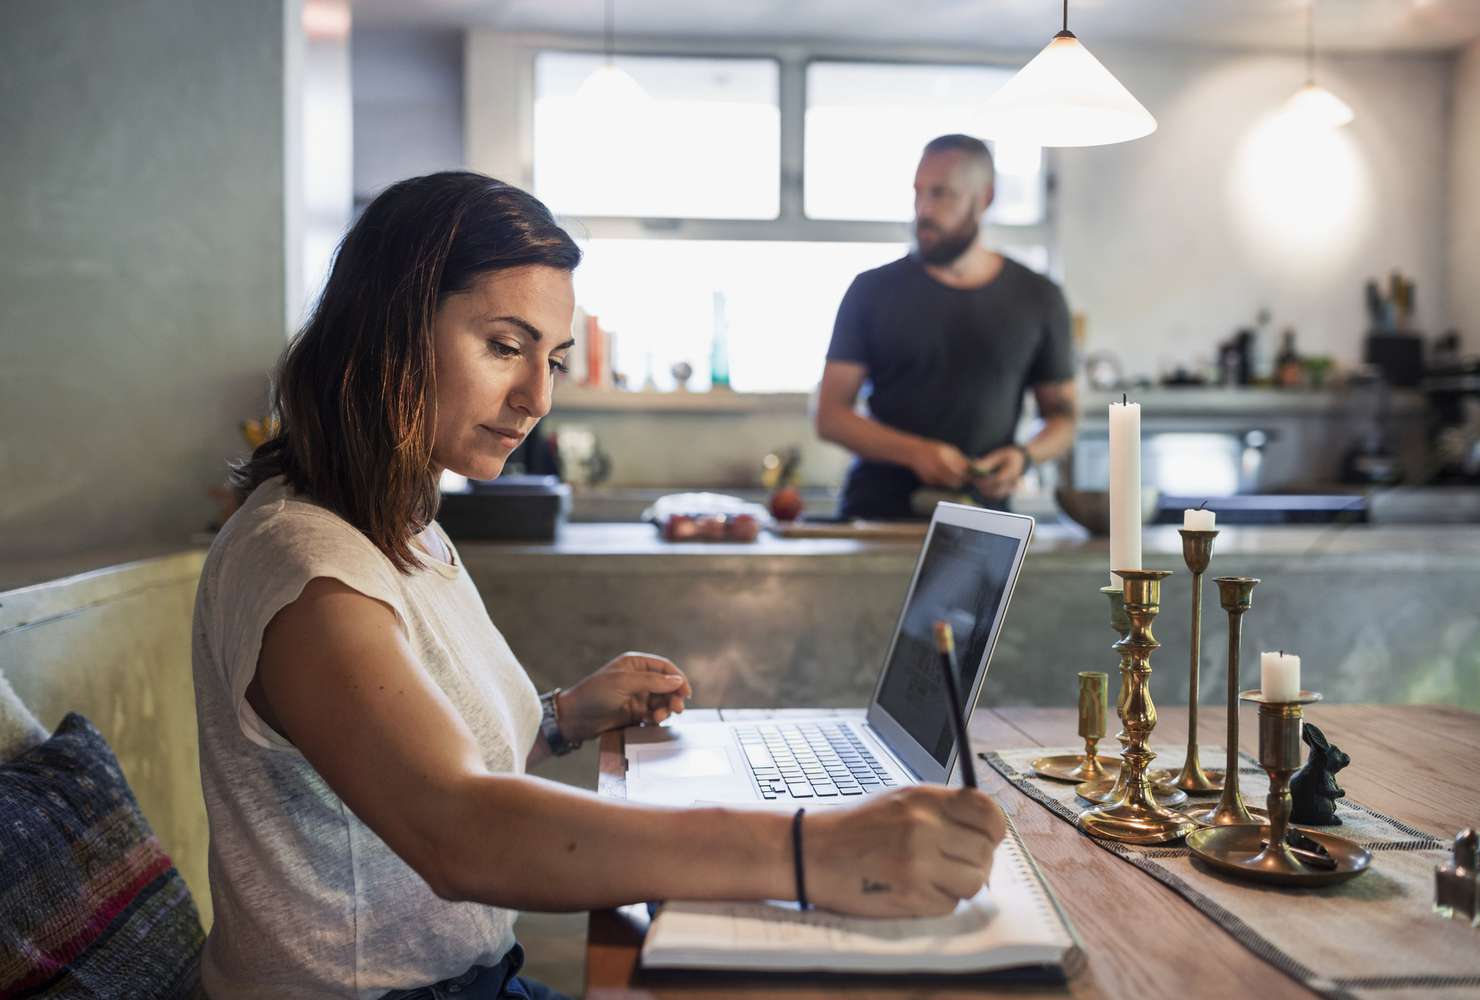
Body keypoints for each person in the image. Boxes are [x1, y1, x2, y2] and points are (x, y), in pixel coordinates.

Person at [192, 171, 1007, 999]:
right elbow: (458, 830)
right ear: (387, 331)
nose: (538, 397)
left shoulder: (401, 527)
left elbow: (404, 750)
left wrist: (563, 714)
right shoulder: (304, 565)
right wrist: (816, 850)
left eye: (552, 358)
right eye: (505, 347)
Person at [815, 134, 1079, 520]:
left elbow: (1063, 417)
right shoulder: (870, 291)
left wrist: (1024, 457)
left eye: (942, 194)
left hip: (986, 521)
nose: (923, 209)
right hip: (877, 518)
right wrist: (916, 453)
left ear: (984, 198)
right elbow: (830, 415)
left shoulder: (1039, 297)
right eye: (918, 192)